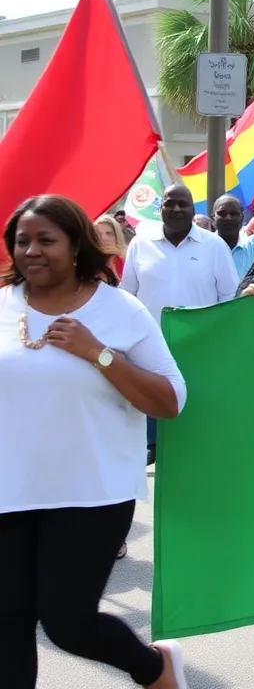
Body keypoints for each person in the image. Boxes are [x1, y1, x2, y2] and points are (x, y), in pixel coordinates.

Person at [0, 195, 189, 689]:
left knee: (68, 623)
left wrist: (98, 353)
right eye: (22, 241)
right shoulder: (1, 304)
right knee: (8, 623)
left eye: (46, 240)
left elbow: (170, 400)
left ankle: (154, 668)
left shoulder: (118, 309)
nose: (31, 251)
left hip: (92, 493)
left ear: (76, 244)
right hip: (8, 493)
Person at [120, 184, 239, 465]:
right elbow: (127, 295)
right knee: (152, 400)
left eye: (182, 204)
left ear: (192, 209)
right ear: (160, 208)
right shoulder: (141, 243)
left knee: (193, 407)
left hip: (201, 344)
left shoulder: (214, 246)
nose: (175, 209)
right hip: (149, 344)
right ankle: (152, 447)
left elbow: (228, 297)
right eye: (169, 203)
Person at [212, 195, 254, 280]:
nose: (228, 218)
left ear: (242, 218)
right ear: (213, 218)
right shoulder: (201, 250)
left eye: (233, 214)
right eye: (222, 214)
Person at [94, 214, 128, 280]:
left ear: (117, 236)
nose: (104, 238)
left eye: (109, 233)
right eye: (98, 234)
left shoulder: (128, 257)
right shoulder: (86, 262)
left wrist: (120, 255)